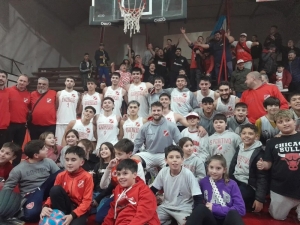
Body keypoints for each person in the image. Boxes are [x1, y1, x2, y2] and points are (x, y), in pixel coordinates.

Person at [257, 110, 300, 221]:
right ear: (277, 125)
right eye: (280, 122)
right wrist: (263, 165)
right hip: (281, 187)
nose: (285, 123)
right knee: (278, 217)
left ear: (294, 122)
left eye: (287, 120)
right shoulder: (271, 142)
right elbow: (268, 163)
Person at [3, 140, 60, 222]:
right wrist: (7, 204)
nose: (47, 149)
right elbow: (8, 187)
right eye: (44, 149)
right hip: (31, 194)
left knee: (61, 173)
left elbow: (59, 176)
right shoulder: (18, 169)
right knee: (30, 216)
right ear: (36, 155)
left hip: (47, 188)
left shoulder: (49, 162)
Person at [94, 139, 145, 224]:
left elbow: (142, 184)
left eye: (120, 154)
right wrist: (108, 168)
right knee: (99, 218)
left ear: (129, 154)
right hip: (117, 196)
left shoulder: (136, 164)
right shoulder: (114, 164)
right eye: (115, 153)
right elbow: (103, 186)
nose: (117, 157)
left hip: (133, 197)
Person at [186, 154, 245, 225]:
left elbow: (241, 210)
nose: (214, 171)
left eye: (218, 168)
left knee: (233, 213)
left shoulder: (232, 184)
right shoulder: (203, 182)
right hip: (210, 220)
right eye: (211, 167)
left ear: (224, 170)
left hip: (226, 220)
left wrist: (215, 208)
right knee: (200, 208)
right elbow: (197, 203)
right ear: (207, 167)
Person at [150, 145, 202, 224]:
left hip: (184, 208)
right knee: (150, 220)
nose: (174, 160)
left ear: (182, 160)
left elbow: (198, 197)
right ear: (166, 160)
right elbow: (152, 190)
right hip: (166, 206)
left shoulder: (188, 174)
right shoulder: (163, 172)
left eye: (177, 157)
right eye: (171, 157)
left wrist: (194, 215)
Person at [41, 146, 93, 225]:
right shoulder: (61, 175)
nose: (69, 163)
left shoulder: (87, 177)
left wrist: (72, 215)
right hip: (64, 205)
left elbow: (87, 201)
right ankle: (62, 216)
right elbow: (52, 195)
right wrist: (45, 206)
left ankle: (75, 219)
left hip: (79, 209)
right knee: (55, 189)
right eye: (67, 159)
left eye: (73, 160)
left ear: (81, 162)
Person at [102, 159, 160, 225]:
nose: (121, 177)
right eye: (118, 174)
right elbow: (113, 210)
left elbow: (143, 214)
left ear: (134, 175)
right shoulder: (118, 189)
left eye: (125, 173)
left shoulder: (144, 191)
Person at [229, 124, 268, 212]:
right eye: (244, 133)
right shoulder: (240, 147)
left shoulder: (260, 153)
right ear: (240, 135)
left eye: (250, 134)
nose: (246, 136)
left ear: (256, 136)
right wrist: (228, 179)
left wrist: (259, 199)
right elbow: (233, 164)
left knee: (235, 199)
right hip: (236, 179)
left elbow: (262, 177)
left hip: (248, 184)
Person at [132, 102, 182, 170]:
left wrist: (180, 155)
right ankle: (144, 179)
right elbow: (137, 143)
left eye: (158, 110)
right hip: (149, 154)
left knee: (174, 165)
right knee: (133, 160)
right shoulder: (145, 127)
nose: (156, 112)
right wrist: (131, 154)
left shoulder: (171, 125)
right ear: (151, 111)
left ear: (162, 111)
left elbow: (180, 142)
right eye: (154, 110)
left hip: (165, 155)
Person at [7, 74, 30, 165]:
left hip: (21, 125)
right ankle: (4, 166)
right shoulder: (8, 91)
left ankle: (16, 166)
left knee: (18, 147)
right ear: (17, 80)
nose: (22, 83)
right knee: (6, 146)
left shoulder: (28, 95)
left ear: (27, 83)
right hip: (9, 124)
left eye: (24, 81)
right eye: (20, 80)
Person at [55, 77, 80, 146]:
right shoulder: (59, 93)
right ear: (65, 82)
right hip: (60, 121)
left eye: (71, 81)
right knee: (59, 143)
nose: (69, 82)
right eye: (68, 81)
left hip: (71, 121)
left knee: (71, 142)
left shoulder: (77, 94)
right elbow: (56, 106)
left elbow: (78, 108)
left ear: (74, 84)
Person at [91, 142, 114, 214]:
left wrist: (98, 199)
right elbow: (94, 182)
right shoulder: (97, 165)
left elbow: (111, 185)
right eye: (101, 149)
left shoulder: (114, 164)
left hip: (107, 194)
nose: (103, 151)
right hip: (95, 192)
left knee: (99, 211)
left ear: (111, 150)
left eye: (106, 149)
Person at [0, 70, 10, 149]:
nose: (1, 78)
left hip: (4, 128)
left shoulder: (9, 92)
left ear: (6, 79)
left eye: (3, 77)